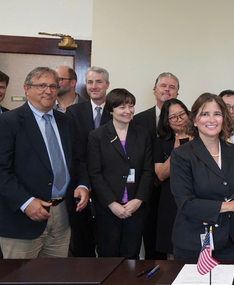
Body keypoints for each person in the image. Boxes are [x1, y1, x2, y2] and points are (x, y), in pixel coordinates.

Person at [0, 67, 89, 259]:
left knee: (56, 281)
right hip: (22, 218)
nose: (48, 91)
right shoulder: (6, 122)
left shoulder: (67, 122)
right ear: (26, 88)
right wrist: (26, 202)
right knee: (21, 284)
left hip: (62, 216)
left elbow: (78, 160)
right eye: (41, 85)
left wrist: (83, 184)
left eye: (52, 86)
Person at [170, 93, 234, 260]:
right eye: (204, 114)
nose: (212, 119)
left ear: (224, 119)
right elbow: (186, 204)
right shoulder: (181, 155)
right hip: (193, 243)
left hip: (230, 243)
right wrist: (229, 206)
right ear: (194, 120)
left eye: (217, 114)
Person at [87, 88, 154, 259]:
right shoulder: (97, 136)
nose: (128, 111)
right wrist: (112, 204)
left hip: (135, 207)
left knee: (131, 255)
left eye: (131, 106)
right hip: (108, 208)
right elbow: (95, 174)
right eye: (122, 107)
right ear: (111, 109)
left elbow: (147, 170)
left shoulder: (142, 134)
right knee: (107, 255)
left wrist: (138, 200)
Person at [65, 66, 112, 257]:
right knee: (83, 244)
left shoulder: (117, 110)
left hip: (109, 186)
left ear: (107, 84)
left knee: (108, 243)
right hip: (81, 186)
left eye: (99, 82)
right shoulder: (73, 112)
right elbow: (74, 152)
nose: (94, 86)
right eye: (90, 82)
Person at [133, 72, 179, 260]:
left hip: (175, 189)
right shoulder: (139, 120)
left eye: (172, 87)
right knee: (151, 240)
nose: (167, 89)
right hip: (148, 189)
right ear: (155, 90)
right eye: (163, 86)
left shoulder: (186, 119)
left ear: (177, 93)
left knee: (175, 240)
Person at [153, 99, 191, 257]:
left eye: (182, 114)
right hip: (171, 201)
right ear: (166, 121)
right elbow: (161, 174)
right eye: (173, 117)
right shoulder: (161, 142)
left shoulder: (200, 137)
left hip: (196, 199)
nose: (179, 119)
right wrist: (175, 153)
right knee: (172, 251)